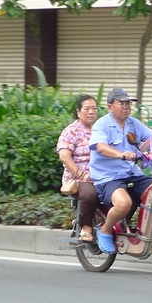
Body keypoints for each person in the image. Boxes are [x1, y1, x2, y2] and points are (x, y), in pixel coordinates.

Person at [90, 88, 152, 253]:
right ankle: (105, 230)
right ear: (110, 107)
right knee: (124, 203)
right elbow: (101, 147)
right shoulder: (102, 125)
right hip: (109, 178)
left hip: (133, 174)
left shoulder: (134, 124)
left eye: (128, 103)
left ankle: (146, 231)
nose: (126, 107)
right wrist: (121, 154)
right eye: (122, 103)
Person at [57, 94, 101, 243]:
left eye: (94, 108)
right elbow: (64, 157)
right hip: (78, 178)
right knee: (90, 194)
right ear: (78, 111)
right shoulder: (71, 131)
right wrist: (82, 175)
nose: (91, 112)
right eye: (87, 108)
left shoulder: (100, 130)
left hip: (101, 175)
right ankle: (86, 227)